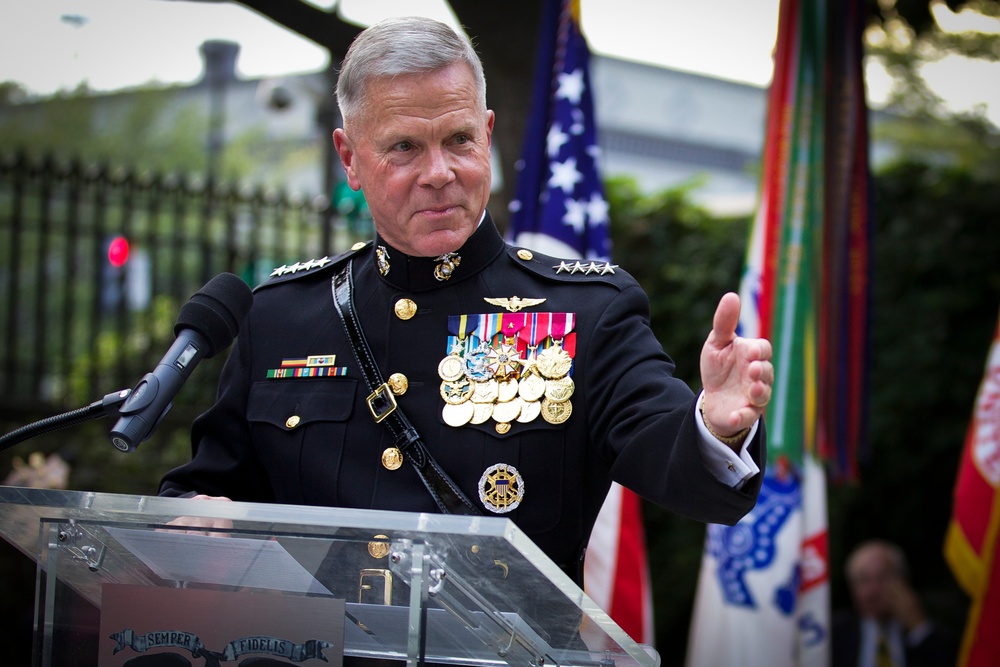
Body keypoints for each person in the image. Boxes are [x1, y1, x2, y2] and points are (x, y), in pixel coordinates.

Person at [159, 16, 772, 586]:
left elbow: (687, 476)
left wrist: (715, 427)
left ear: (487, 135)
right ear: (349, 158)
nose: (439, 172)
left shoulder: (587, 310)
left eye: (458, 139)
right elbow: (203, 492)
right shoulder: (282, 316)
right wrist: (197, 516)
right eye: (404, 147)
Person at [832, 540, 959, 667]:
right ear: (852, 588)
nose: (874, 590)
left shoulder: (930, 630)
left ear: (903, 581)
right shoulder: (834, 635)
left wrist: (917, 624)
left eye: (883, 578)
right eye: (864, 580)